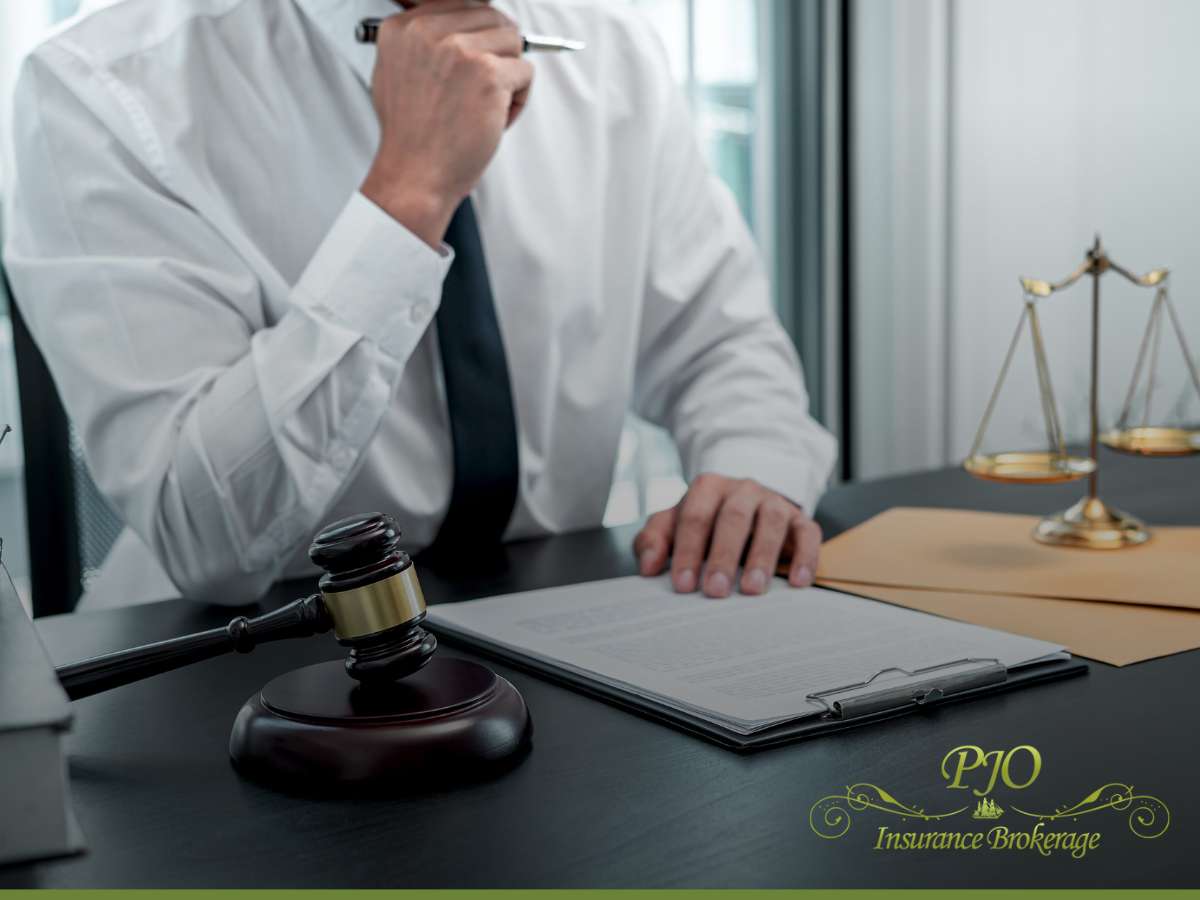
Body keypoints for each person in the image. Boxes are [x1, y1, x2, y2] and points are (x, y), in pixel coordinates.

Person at [1, 0, 836, 609]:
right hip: (233, 660)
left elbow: (720, 346)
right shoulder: (101, 87)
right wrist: (410, 190)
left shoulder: (609, 48)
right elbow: (208, 535)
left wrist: (752, 468)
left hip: (557, 625)